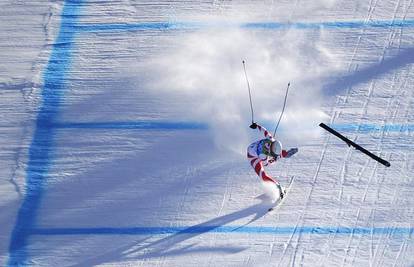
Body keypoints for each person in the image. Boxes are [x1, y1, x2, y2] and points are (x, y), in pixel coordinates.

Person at [247, 122, 298, 200]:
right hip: (253, 157)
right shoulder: (263, 155)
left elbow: (265, 131)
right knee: (263, 176)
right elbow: (266, 164)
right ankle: (277, 186)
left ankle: (284, 153)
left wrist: (257, 125)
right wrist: (277, 158)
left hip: (253, 146)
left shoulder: (271, 139)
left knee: (276, 155)